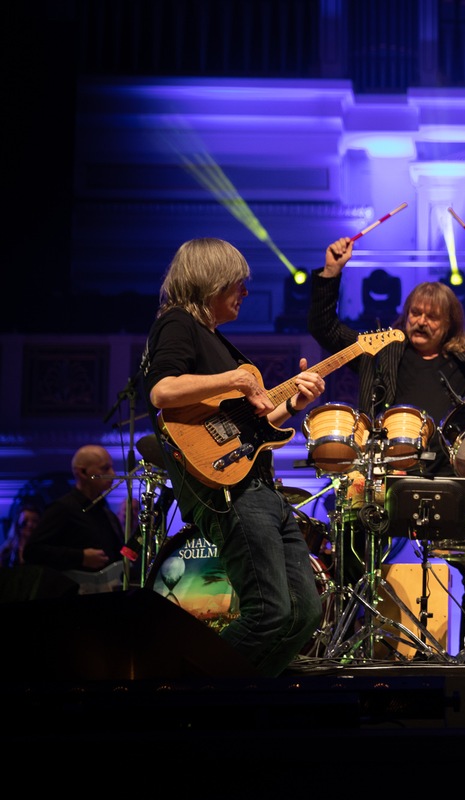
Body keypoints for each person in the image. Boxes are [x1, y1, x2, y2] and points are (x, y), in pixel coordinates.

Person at [308, 236, 465, 662]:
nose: (421, 321)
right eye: (415, 312)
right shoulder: (381, 353)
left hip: (449, 481)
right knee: (353, 561)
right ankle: (351, 648)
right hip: (386, 479)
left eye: (432, 316)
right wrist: (331, 273)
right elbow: (325, 329)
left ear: (450, 323)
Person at [143, 237, 326, 677]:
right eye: (238, 284)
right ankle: (185, 692)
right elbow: (161, 391)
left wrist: (296, 403)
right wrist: (236, 378)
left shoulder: (217, 342)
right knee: (268, 613)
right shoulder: (178, 324)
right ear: (212, 282)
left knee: (304, 615)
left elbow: (257, 425)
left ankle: (242, 706)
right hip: (233, 489)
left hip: (260, 485)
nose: (245, 292)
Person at [22, 445, 128, 592]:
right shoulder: (63, 508)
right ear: (82, 472)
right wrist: (80, 557)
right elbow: (32, 551)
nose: (113, 474)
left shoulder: (106, 513)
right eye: (105, 468)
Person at [0, 504, 40, 569]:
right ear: (17, 523)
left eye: (34, 521)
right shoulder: (6, 550)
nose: (30, 525)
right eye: (25, 520)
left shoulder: (42, 550)